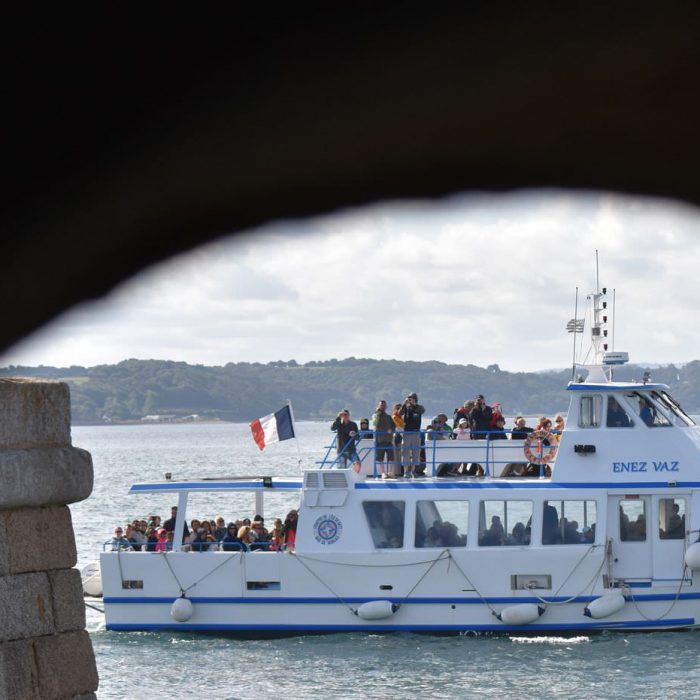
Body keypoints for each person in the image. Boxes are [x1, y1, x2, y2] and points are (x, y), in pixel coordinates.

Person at [399, 392, 425, 478]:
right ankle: (406, 471)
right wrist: (404, 403)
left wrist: (415, 405)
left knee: (416, 452)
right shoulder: (406, 407)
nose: (411, 399)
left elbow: (423, 411)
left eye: (413, 398)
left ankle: (413, 471)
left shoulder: (419, 407)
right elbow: (399, 414)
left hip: (416, 432)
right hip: (407, 432)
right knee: (405, 452)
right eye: (409, 398)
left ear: (416, 399)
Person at [372, 399, 396, 478]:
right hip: (380, 440)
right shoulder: (375, 415)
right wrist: (377, 413)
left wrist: (391, 430)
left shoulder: (388, 417)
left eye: (384, 405)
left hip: (388, 440)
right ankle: (383, 473)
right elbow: (375, 425)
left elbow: (393, 426)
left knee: (391, 457)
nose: (383, 406)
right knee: (380, 457)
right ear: (378, 406)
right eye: (381, 405)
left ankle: (390, 472)